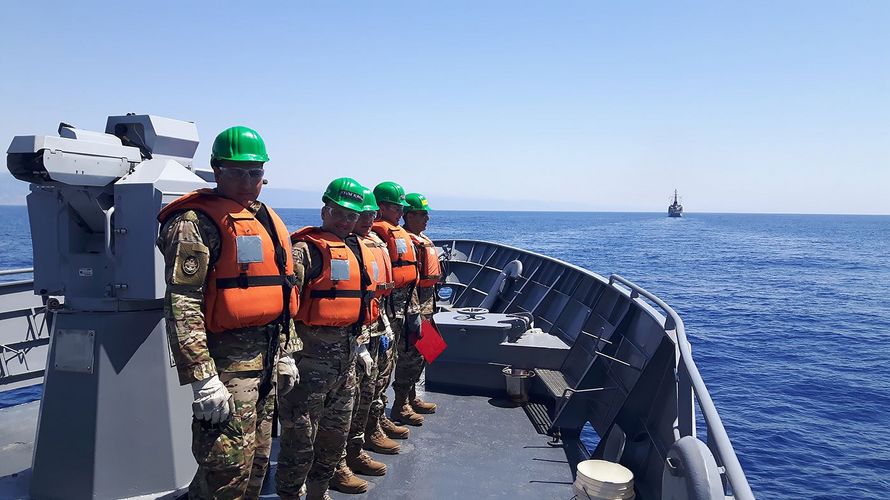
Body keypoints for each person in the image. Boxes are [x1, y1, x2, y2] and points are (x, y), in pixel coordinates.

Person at [156, 126, 300, 500]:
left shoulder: (265, 218)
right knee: (225, 468)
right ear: (217, 170)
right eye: (237, 171)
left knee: (257, 463)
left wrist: (285, 354)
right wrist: (203, 377)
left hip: (267, 360)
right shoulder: (195, 222)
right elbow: (183, 303)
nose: (248, 181)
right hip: (226, 364)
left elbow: (284, 292)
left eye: (255, 172)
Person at [276, 178, 377, 500]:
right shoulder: (304, 251)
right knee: (299, 442)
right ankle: (291, 494)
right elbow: (283, 307)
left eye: (352, 215)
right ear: (325, 210)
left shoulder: (354, 251)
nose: (346, 221)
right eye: (339, 213)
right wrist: (287, 353)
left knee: (335, 438)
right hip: (310, 367)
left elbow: (359, 304)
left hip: (345, 365)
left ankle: (320, 493)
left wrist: (360, 344)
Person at [332, 187, 391, 489]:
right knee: (332, 414)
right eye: (363, 215)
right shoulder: (313, 249)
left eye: (369, 215)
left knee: (367, 394)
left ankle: (356, 449)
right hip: (327, 348)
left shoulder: (365, 247)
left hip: (369, 331)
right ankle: (336, 464)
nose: (368, 220)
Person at [370, 181, 427, 427]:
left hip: (417, 306)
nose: (401, 212)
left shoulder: (411, 238)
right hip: (392, 310)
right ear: (381, 207)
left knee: (425, 351)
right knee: (387, 363)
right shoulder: (378, 236)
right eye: (398, 208)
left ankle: (407, 398)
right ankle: (395, 408)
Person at [399, 193, 441, 415]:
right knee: (410, 357)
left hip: (428, 308)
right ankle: (400, 404)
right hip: (414, 310)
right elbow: (408, 283)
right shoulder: (407, 244)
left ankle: (412, 397)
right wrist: (413, 313)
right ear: (408, 215)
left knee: (426, 353)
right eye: (422, 214)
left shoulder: (421, 239)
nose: (427, 218)